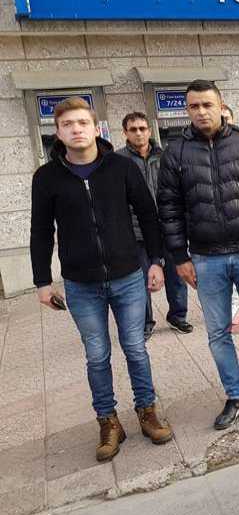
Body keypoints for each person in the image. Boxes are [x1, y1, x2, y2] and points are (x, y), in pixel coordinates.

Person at [31, 97, 173, 462]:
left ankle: (147, 411)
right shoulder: (46, 178)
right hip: (81, 284)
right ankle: (108, 422)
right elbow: (41, 231)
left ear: (97, 129)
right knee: (97, 355)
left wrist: (156, 261)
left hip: (128, 276)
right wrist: (42, 282)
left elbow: (148, 213)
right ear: (57, 133)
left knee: (135, 347)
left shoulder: (120, 167)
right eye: (67, 124)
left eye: (82, 122)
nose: (76, 129)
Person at [158, 79, 239, 430]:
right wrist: (179, 256)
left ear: (220, 105)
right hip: (204, 257)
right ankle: (235, 394)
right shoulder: (175, 152)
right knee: (217, 332)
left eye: (207, 105)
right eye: (194, 106)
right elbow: (168, 208)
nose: (201, 112)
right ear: (187, 110)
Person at [118, 111, 192, 340]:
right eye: (133, 129)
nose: (139, 133)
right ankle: (145, 322)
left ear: (150, 130)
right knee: (141, 279)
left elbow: (179, 188)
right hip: (137, 229)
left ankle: (177, 316)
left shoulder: (165, 156)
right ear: (125, 133)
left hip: (168, 225)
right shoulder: (118, 161)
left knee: (176, 274)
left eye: (142, 128)